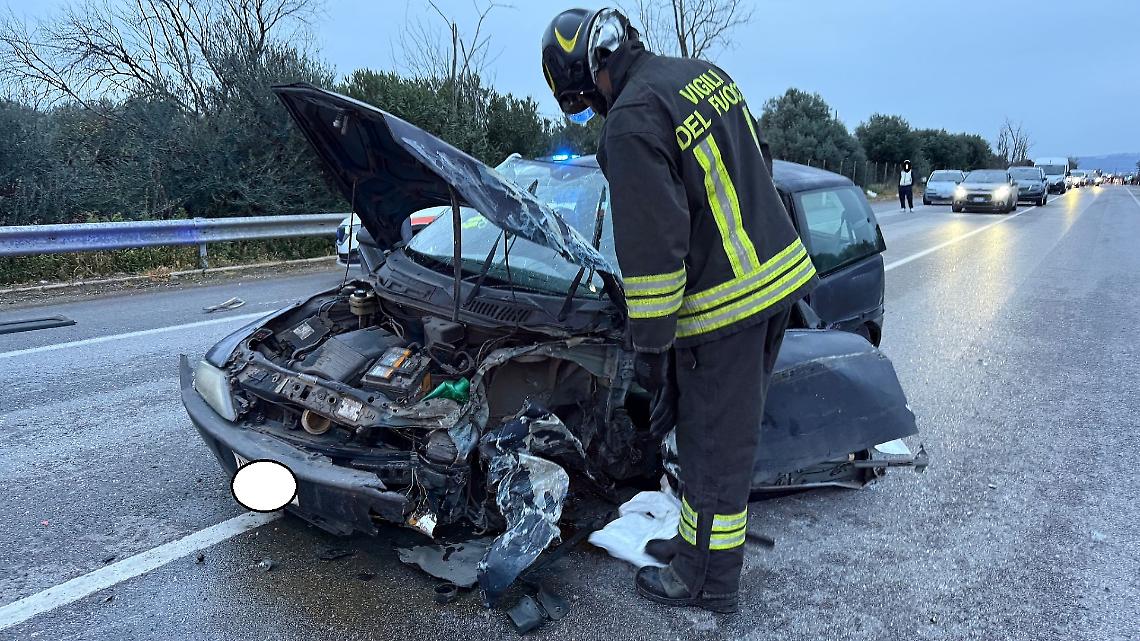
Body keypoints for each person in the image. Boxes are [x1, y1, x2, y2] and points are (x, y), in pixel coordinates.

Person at [540, 7, 817, 613]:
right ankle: (695, 545)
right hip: (772, 281)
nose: (592, 113)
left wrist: (651, 347)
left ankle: (707, 581)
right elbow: (760, 162)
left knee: (715, 447)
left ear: (594, 72)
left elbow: (654, 250)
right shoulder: (701, 74)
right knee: (706, 437)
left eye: (583, 102)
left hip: (725, 305)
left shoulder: (631, 120)